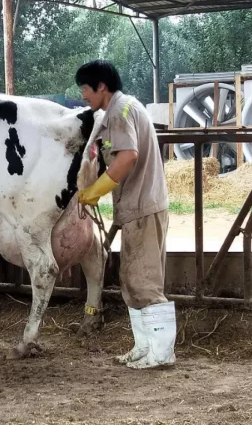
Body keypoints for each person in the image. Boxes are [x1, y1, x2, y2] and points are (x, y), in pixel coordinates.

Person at [75, 60, 176, 369]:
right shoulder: (124, 109)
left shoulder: (119, 112)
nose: (83, 96)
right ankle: (144, 346)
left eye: (85, 89)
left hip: (142, 207)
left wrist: (94, 191)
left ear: (101, 87)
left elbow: (128, 157)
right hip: (138, 207)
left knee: (143, 281)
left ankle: (161, 353)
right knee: (132, 280)